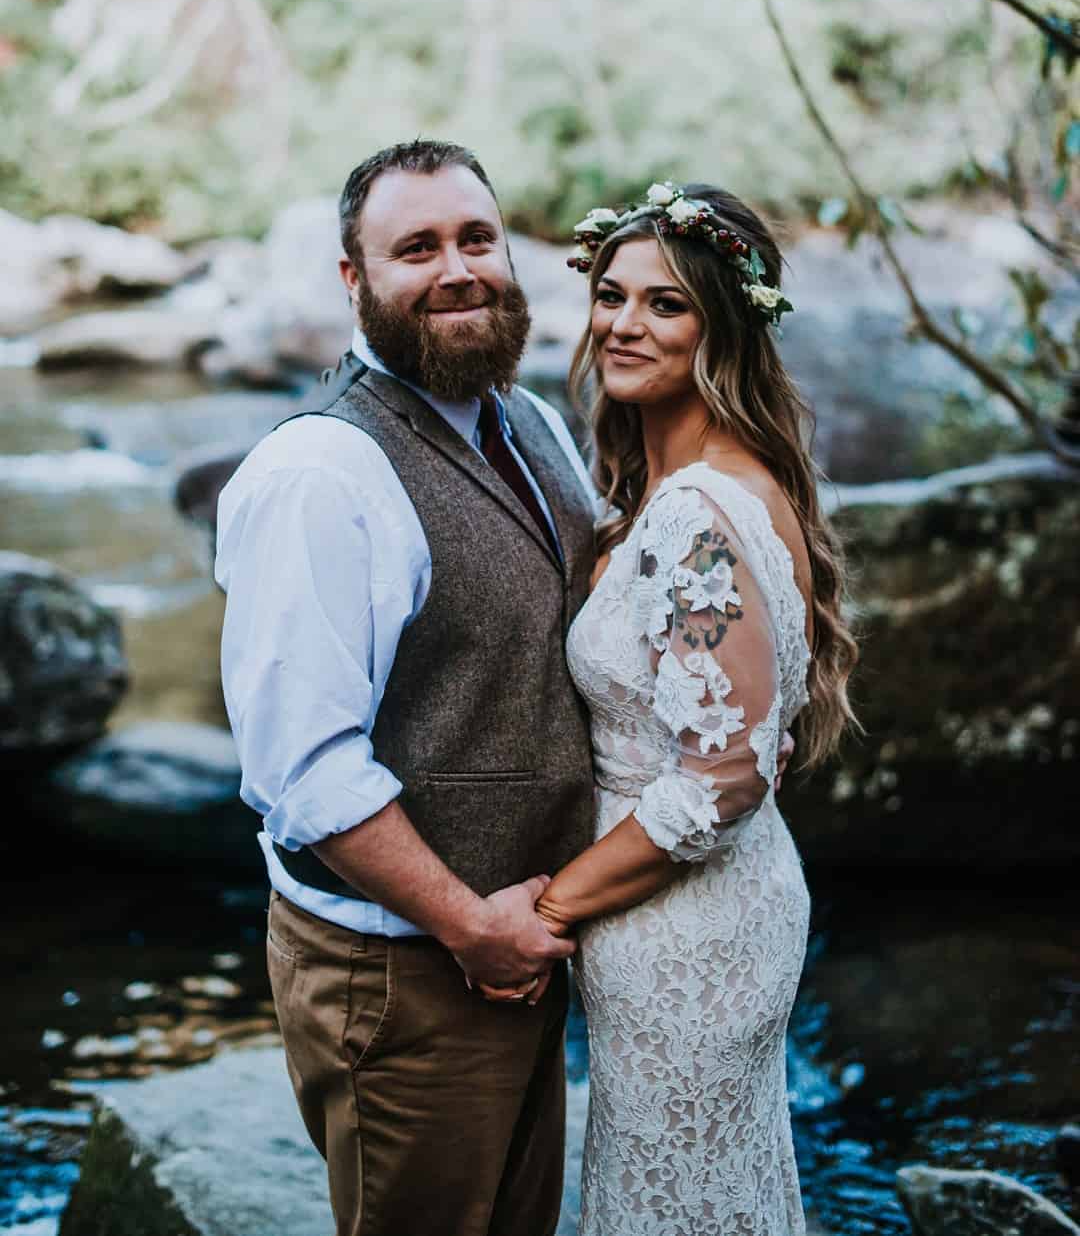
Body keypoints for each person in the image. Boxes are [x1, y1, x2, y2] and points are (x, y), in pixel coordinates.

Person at [215, 139, 602, 1236]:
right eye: (416, 248)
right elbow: (303, 767)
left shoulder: (527, 423)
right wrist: (468, 925)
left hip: (518, 944)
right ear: (354, 281)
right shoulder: (318, 475)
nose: (458, 269)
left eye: (477, 238)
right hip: (403, 969)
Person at [483, 182, 859, 1235]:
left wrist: (550, 910)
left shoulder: (698, 512)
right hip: (674, 910)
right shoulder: (681, 483)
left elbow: (722, 780)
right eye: (613, 295)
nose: (625, 324)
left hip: (684, 929)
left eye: (666, 305)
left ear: (725, 324)